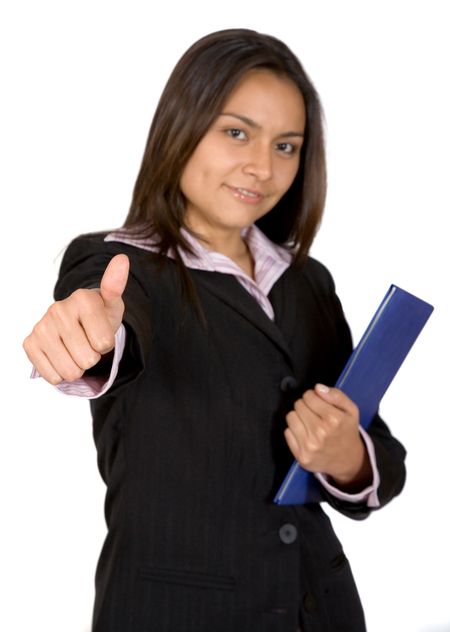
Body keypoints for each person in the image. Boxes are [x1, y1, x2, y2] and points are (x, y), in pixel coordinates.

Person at [23, 28, 406, 632]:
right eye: (237, 133)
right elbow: (110, 330)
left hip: (320, 609)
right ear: (182, 126)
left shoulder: (308, 281)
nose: (263, 167)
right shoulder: (118, 264)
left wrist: (349, 457)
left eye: (286, 146)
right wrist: (86, 336)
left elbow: (381, 456)